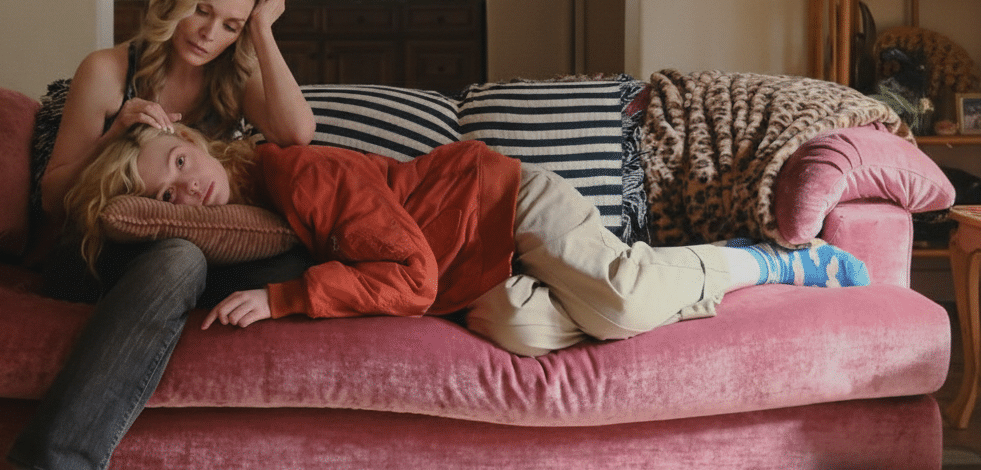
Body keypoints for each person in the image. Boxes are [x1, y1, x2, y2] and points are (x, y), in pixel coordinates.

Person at [71, 123, 871, 358]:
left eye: (180, 163)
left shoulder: (301, 175)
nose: (185, 192)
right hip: (468, 276)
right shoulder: (244, 223)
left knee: (623, 300)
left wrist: (285, 298)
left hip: (503, 203)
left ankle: (761, 260)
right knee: (524, 329)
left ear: (204, 142)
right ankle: (648, 280)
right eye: (164, 197)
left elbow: (409, 279)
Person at [8, 0, 316, 470]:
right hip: (95, 251)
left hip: (202, 260)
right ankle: (54, 462)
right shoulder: (107, 70)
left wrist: (263, 30)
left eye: (231, 25)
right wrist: (114, 133)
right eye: (202, 9)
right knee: (180, 256)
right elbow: (54, 197)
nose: (207, 33)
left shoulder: (232, 79)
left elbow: (297, 132)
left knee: (294, 258)